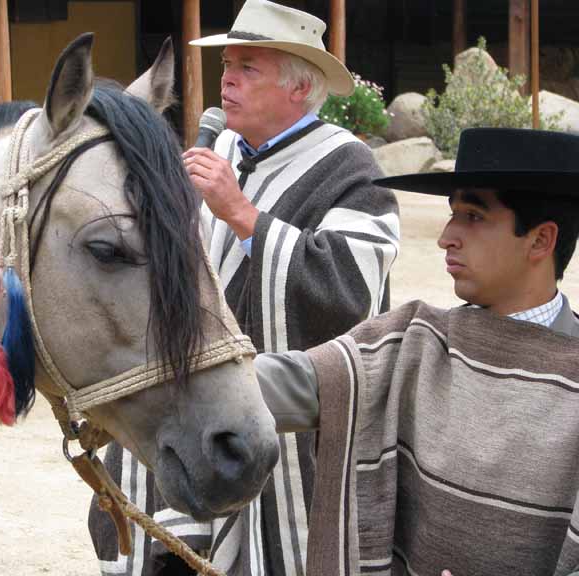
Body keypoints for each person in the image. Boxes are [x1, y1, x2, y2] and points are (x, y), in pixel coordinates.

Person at [89, 0, 399, 574]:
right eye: (227, 64)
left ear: (299, 88)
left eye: (248, 67)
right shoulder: (221, 149)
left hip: (290, 433)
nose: (226, 80)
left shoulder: (351, 167)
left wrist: (242, 214)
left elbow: (351, 290)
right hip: (198, 405)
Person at [255, 127, 579, 576]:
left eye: (473, 216)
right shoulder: (413, 341)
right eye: (452, 214)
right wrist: (158, 373)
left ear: (541, 241)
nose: (447, 236)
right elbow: (289, 384)